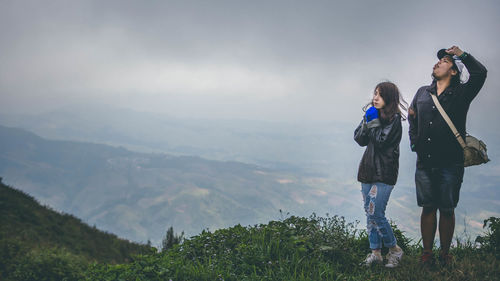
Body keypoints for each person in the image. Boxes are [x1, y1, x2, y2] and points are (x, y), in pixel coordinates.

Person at [408, 46, 487, 265]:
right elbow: (412, 118)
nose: (437, 63)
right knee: (428, 207)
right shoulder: (422, 92)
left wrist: (462, 55)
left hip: (451, 162)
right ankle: (427, 253)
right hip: (424, 161)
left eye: (444, 61)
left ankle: (444, 254)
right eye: (438, 61)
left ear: (453, 71)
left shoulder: (462, 93)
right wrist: (414, 143)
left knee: (447, 208)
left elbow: (480, 74)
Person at [354, 81, 408, 268]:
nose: (375, 98)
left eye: (380, 94)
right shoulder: (373, 115)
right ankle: (375, 253)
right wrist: (366, 121)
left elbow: (381, 142)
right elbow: (359, 139)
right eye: (375, 93)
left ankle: (395, 250)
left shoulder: (394, 121)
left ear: (390, 98)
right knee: (369, 214)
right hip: (368, 170)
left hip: (384, 173)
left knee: (376, 212)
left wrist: (373, 123)